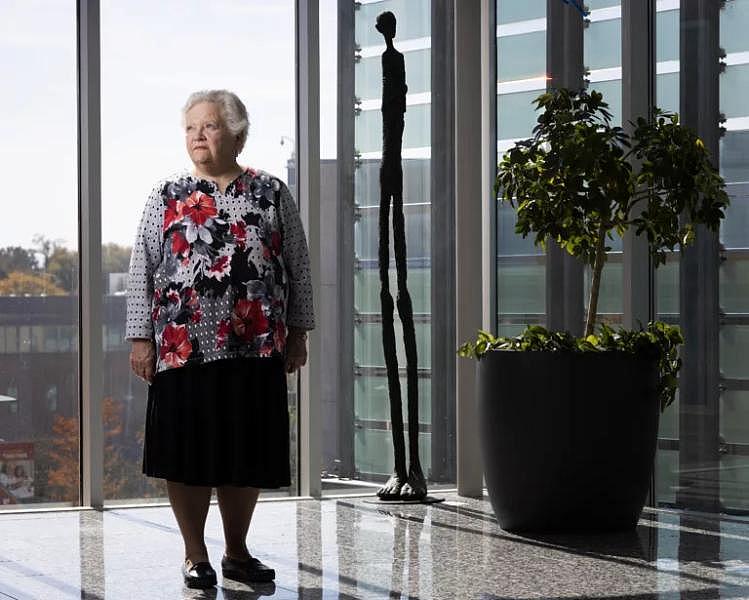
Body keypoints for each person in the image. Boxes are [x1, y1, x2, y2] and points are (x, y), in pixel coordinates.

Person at [126, 89, 314, 590]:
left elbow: (297, 264)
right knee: (186, 457)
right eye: (190, 128)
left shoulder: (271, 191)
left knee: (243, 452)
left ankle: (236, 552)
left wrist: (299, 332)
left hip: (255, 349)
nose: (197, 136)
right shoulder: (165, 195)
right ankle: (194, 554)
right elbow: (141, 268)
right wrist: (140, 339)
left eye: (208, 126)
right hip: (182, 348)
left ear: (236, 132)